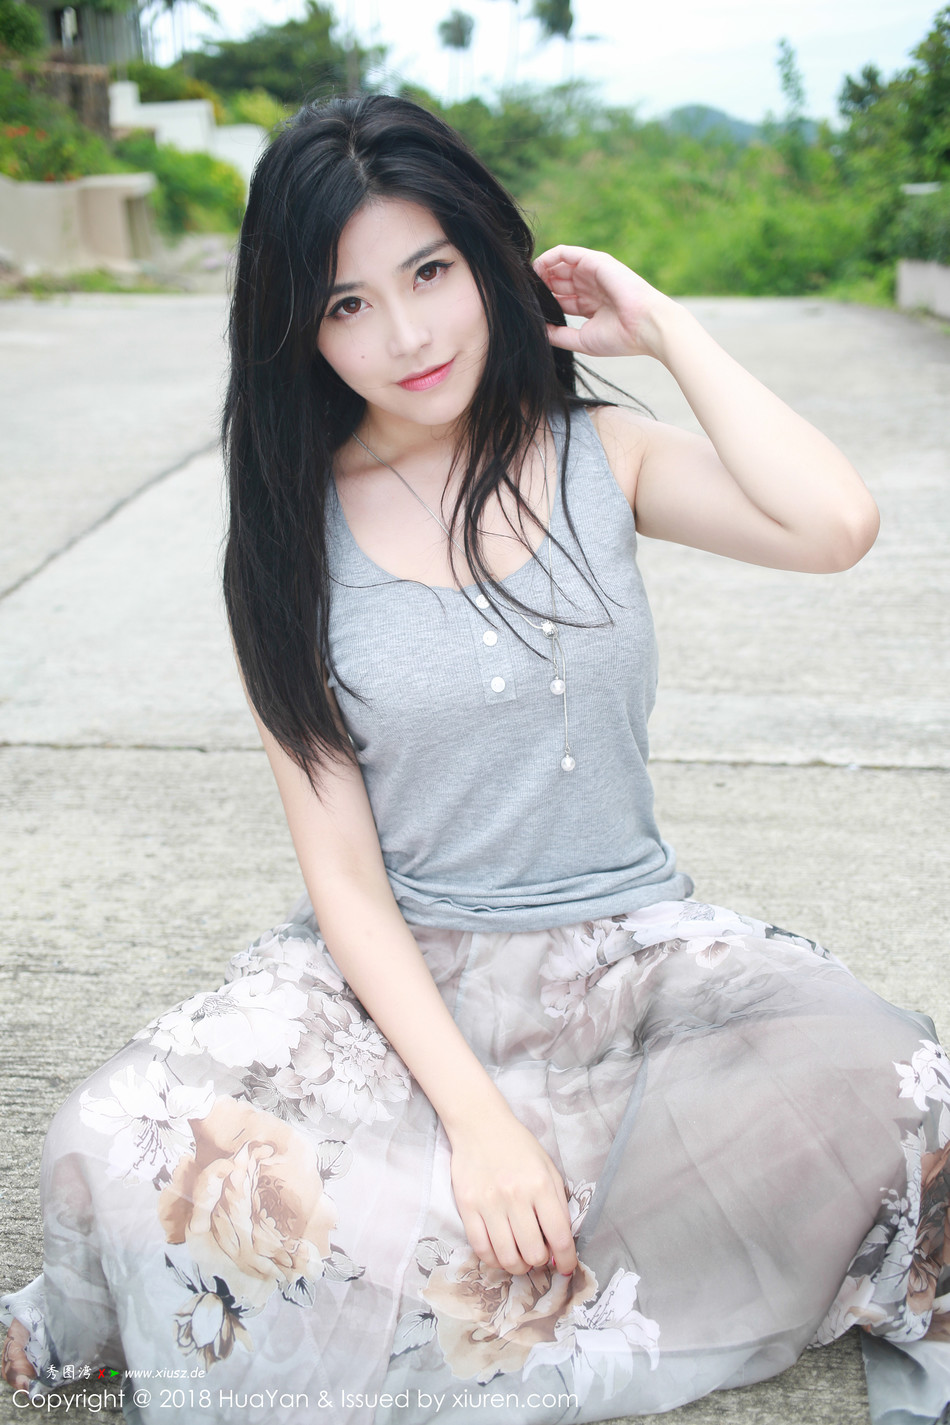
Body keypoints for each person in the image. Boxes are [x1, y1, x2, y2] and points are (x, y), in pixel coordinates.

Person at [2, 92, 949, 1425]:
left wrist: (665, 327)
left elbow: (834, 523)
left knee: (896, 1079)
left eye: (430, 272)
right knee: (125, 1140)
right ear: (297, 327)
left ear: (489, 261)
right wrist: (480, 1124)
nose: (405, 336)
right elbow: (344, 878)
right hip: (400, 983)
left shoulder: (599, 454)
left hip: (629, 962)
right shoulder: (288, 539)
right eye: (347, 304)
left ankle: (550, 1245)